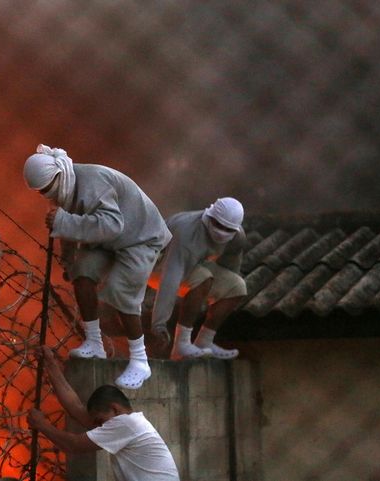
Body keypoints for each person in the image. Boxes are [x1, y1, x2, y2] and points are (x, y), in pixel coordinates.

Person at [23, 144, 171, 389]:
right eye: (41, 192)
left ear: (59, 174)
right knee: (82, 272)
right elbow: (68, 227)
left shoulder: (93, 182)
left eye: (47, 189)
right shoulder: (65, 188)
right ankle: (94, 343)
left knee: (120, 290)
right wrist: (68, 261)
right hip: (109, 241)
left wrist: (63, 221)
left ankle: (140, 360)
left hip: (141, 237)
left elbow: (112, 225)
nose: (46, 195)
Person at [27, 347, 179, 481]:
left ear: (115, 409)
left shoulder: (127, 424)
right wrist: (50, 364)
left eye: (101, 421)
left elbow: (74, 445)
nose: (99, 426)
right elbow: (76, 408)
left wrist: (42, 425)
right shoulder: (128, 423)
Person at [150, 197, 247, 360]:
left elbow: (230, 270)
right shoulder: (186, 230)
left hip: (195, 263)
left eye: (228, 229)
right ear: (209, 217)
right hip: (156, 264)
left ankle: (205, 341)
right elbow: (170, 276)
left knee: (237, 286)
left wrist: (220, 296)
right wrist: (159, 323)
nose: (222, 232)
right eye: (218, 225)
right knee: (203, 278)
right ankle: (181, 345)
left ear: (236, 229)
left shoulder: (238, 238)